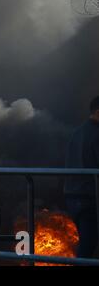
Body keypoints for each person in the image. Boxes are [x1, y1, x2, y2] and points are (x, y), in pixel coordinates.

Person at [65, 96, 99, 259]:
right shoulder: (97, 133)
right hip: (91, 197)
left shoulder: (77, 132)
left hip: (73, 195)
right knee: (87, 246)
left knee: (87, 242)